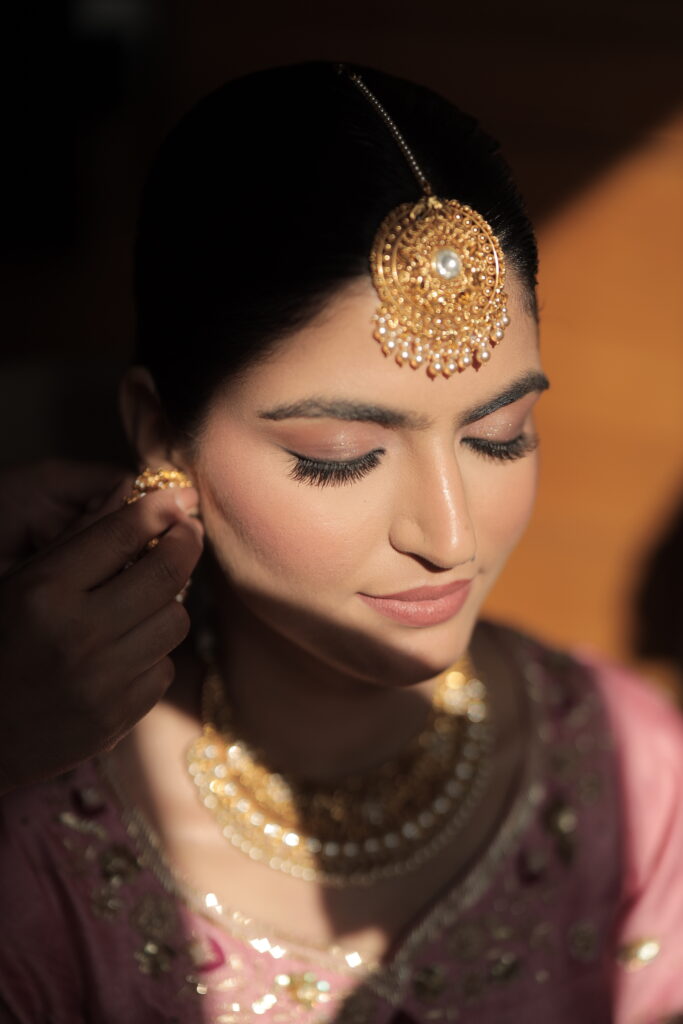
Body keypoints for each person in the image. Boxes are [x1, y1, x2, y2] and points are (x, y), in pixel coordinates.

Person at [1, 61, 682, 1024]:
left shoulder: (637, 780)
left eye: (499, 438)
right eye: (339, 457)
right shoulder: (34, 820)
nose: (448, 536)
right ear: (162, 434)